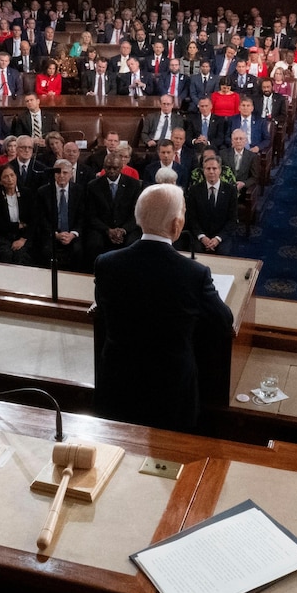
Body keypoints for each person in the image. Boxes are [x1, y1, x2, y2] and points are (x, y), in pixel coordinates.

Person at [93, 184, 234, 433]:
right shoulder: (194, 274)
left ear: (138, 218)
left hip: (118, 382)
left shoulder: (106, 264)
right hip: (170, 389)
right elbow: (223, 321)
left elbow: (103, 311)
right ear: (177, 224)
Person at [0, 165, 33, 264]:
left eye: (12, 175)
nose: (10, 179)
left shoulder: (27, 193)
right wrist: (18, 225)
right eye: (5, 177)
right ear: (0, 181)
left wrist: (23, 239)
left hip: (23, 235)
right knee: (5, 255)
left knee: (21, 255)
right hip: (3, 236)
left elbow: (33, 220)